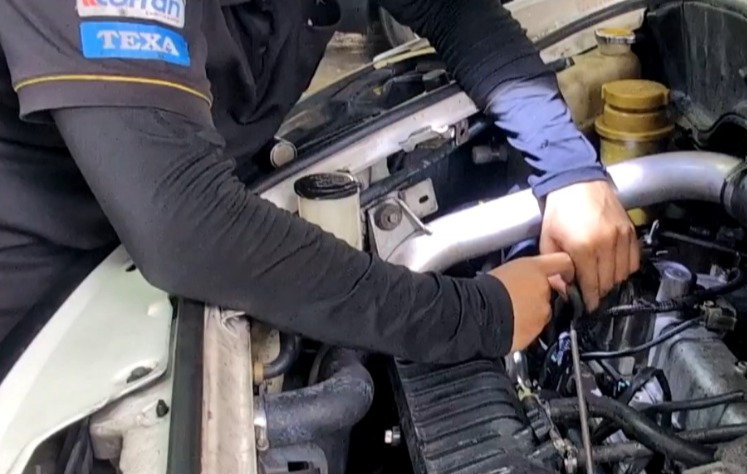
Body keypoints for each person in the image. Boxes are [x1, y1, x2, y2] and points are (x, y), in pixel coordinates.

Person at [0, 0, 639, 364]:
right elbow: (183, 221)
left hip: (133, 259)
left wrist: (568, 169)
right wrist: (471, 316)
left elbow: (450, 8)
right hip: (33, 311)